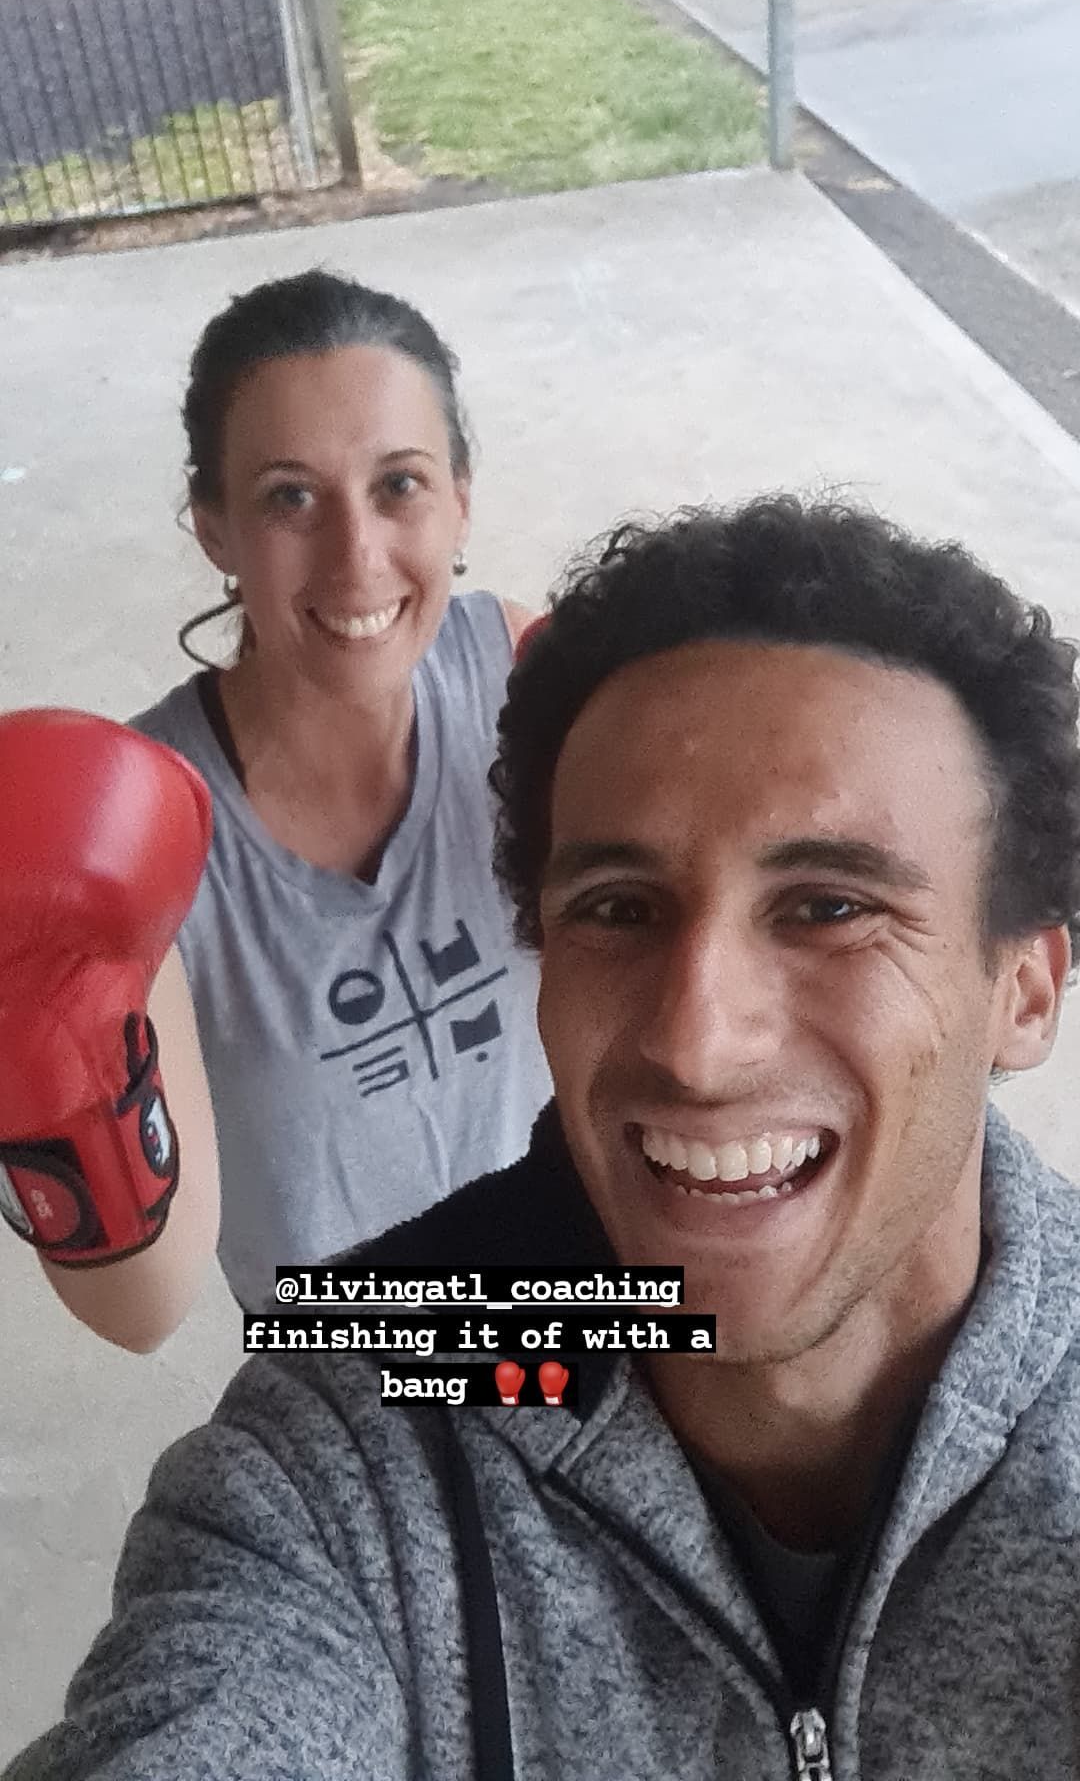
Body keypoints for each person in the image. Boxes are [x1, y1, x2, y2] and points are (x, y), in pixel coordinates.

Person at [6, 495, 1080, 1781]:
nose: (694, 1041)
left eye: (830, 907)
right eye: (619, 908)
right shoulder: (348, 1428)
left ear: (1026, 987)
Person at [2, 270, 551, 1350]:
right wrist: (42, 1055)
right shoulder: (139, 835)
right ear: (213, 527)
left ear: (461, 500)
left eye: (399, 484)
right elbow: (140, 1310)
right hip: (358, 1382)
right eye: (289, 497)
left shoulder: (521, 684)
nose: (356, 559)